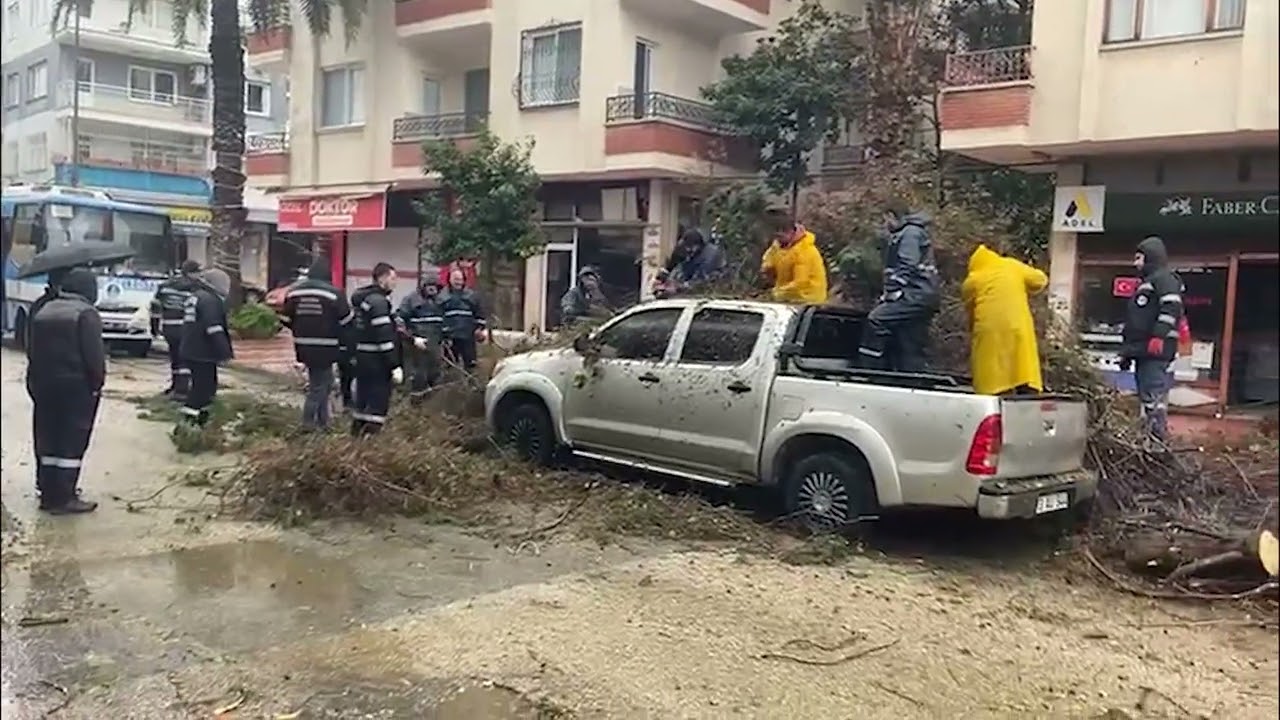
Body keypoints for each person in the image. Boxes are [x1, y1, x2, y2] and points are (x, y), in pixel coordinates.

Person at [27, 268, 106, 514]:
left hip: (44, 384)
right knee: (71, 440)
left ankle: (49, 494)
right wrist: (97, 383)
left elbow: (31, 350)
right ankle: (65, 497)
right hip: (75, 386)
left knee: (48, 438)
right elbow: (93, 356)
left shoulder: (43, 310)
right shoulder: (86, 314)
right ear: (87, 289)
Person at [857, 202, 941, 373]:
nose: (884, 224)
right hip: (924, 296)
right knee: (909, 340)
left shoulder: (909, 234)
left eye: (884, 219)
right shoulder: (914, 232)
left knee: (877, 320)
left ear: (891, 216)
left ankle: (869, 370)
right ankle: (911, 379)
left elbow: (907, 263)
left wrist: (893, 290)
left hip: (914, 294)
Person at [1119, 236, 1184, 442]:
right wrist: (1128, 353)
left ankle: (1158, 440)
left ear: (1150, 258)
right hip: (1144, 350)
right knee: (1147, 395)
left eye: (1139, 258)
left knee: (1154, 394)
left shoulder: (1164, 279)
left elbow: (1171, 307)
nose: (1135, 263)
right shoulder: (1147, 283)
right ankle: (1149, 438)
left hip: (1155, 350)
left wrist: (1158, 336)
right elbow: (1137, 321)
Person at [961, 245, 1048, 396]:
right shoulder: (1011, 266)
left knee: (992, 374)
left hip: (988, 333)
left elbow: (971, 314)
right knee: (1021, 366)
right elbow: (1040, 280)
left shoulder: (972, 280)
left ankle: (994, 401)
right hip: (1018, 328)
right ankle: (1027, 392)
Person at [280, 259, 353, 430]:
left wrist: (300, 329)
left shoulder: (293, 293)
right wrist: (345, 345)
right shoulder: (334, 293)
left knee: (323, 382)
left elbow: (284, 319)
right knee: (319, 386)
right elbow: (347, 321)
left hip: (303, 345)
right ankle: (308, 423)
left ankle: (323, 422)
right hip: (326, 346)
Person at [349, 262, 403, 435]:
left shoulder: (364, 300)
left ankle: (356, 439)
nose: (395, 282)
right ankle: (372, 442)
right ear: (382, 279)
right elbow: (385, 337)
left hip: (362, 360)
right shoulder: (379, 303)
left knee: (362, 402)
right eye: (392, 278)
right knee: (377, 403)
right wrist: (394, 365)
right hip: (377, 363)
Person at [178, 268, 234, 427]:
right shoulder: (210, 300)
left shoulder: (196, 297)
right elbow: (213, 328)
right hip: (202, 352)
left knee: (200, 387)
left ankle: (197, 422)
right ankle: (189, 424)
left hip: (191, 348)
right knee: (204, 390)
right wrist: (225, 352)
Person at [149, 260, 202, 401]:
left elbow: (155, 307)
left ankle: (174, 385)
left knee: (174, 357)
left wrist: (154, 328)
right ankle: (182, 390)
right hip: (186, 327)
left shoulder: (166, 286)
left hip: (169, 327)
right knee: (185, 359)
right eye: (197, 272)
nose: (199, 275)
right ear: (191, 273)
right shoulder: (195, 288)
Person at [760, 214, 828, 304]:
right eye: (777, 231)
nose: (780, 234)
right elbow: (768, 261)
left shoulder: (804, 251)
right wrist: (767, 269)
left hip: (808, 300)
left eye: (784, 231)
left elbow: (800, 283)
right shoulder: (778, 247)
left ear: (793, 231)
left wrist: (777, 293)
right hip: (787, 297)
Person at [397, 278, 445, 395]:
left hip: (434, 345)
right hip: (415, 347)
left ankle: (431, 405)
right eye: (429, 286)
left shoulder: (441, 302)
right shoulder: (410, 300)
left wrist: (445, 338)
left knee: (435, 375)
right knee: (416, 377)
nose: (432, 289)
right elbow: (399, 322)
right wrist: (412, 338)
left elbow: (445, 323)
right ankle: (413, 403)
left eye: (435, 286)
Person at [438, 267, 486, 371]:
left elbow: (480, 314)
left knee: (471, 365)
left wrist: (479, 329)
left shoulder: (472, 296)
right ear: (449, 279)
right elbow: (438, 316)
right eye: (455, 279)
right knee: (449, 366)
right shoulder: (441, 297)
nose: (458, 282)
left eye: (460, 279)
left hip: (468, 336)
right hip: (450, 337)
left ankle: (471, 385)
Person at [654, 228, 725, 297]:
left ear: (699, 245)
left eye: (690, 247)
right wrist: (661, 279)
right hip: (687, 283)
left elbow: (700, 282)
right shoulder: (683, 249)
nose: (688, 250)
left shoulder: (709, 256)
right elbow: (671, 264)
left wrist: (677, 288)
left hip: (708, 292)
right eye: (686, 247)